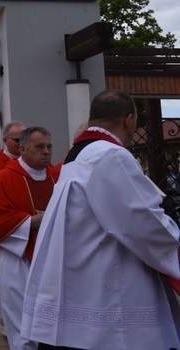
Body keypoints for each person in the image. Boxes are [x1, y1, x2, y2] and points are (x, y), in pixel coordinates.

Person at [22, 90, 180, 349]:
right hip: (109, 293)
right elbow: (142, 223)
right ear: (129, 120)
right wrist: (174, 237)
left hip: (85, 279)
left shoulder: (78, 155)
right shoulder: (111, 155)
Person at [0, 127, 58, 350]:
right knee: (22, 320)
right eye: (39, 146)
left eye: (49, 146)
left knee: (50, 319)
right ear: (22, 148)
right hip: (17, 259)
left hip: (52, 259)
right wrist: (32, 221)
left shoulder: (58, 178)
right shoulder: (3, 179)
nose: (46, 152)